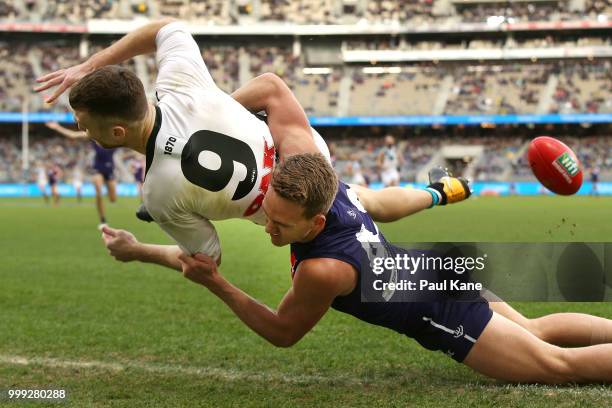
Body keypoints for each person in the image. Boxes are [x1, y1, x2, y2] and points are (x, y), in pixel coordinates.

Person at [36, 18, 469, 262]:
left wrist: (138, 251)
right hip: (305, 154)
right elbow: (165, 27)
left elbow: (207, 259)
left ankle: (442, 211)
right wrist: (91, 64)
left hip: (288, 213)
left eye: (83, 122)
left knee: (391, 272)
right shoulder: (182, 83)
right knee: (364, 200)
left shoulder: (160, 193)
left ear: (116, 132)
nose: (78, 126)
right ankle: (438, 192)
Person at [177, 153, 612, 384]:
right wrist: (442, 191)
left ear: (316, 222)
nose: (266, 227)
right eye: (267, 213)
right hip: (438, 269)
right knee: (535, 330)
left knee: (558, 366)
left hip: (443, 311)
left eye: (280, 223)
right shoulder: (339, 192)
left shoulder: (323, 270)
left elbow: (282, 332)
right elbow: (391, 201)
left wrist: (218, 284)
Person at [46, 121, 116, 224]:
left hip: (110, 169)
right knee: (98, 191)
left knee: (112, 199)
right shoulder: (94, 135)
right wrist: (57, 127)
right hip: (98, 168)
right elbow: (73, 135)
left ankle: (104, 197)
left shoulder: (115, 136)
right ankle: (102, 219)